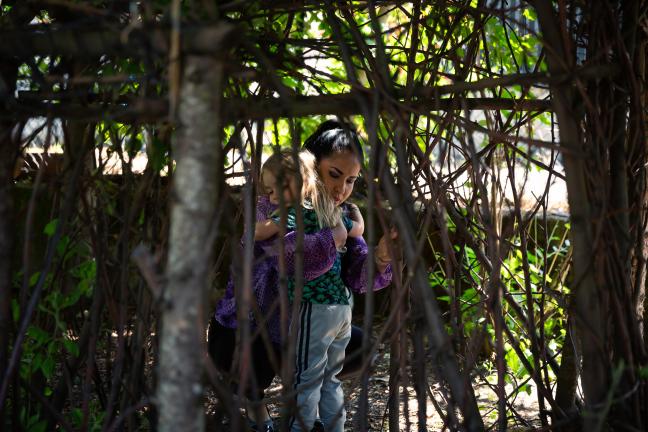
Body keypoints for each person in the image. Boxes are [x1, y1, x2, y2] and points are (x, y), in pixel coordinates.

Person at [208, 120, 396, 431]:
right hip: (257, 328)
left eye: (351, 180)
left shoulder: (343, 215)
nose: (341, 189)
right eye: (334, 175)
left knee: (359, 346)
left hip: (306, 328)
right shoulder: (274, 207)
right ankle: (260, 416)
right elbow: (293, 260)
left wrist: (380, 257)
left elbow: (357, 278)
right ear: (307, 166)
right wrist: (331, 238)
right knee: (248, 358)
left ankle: (313, 413)